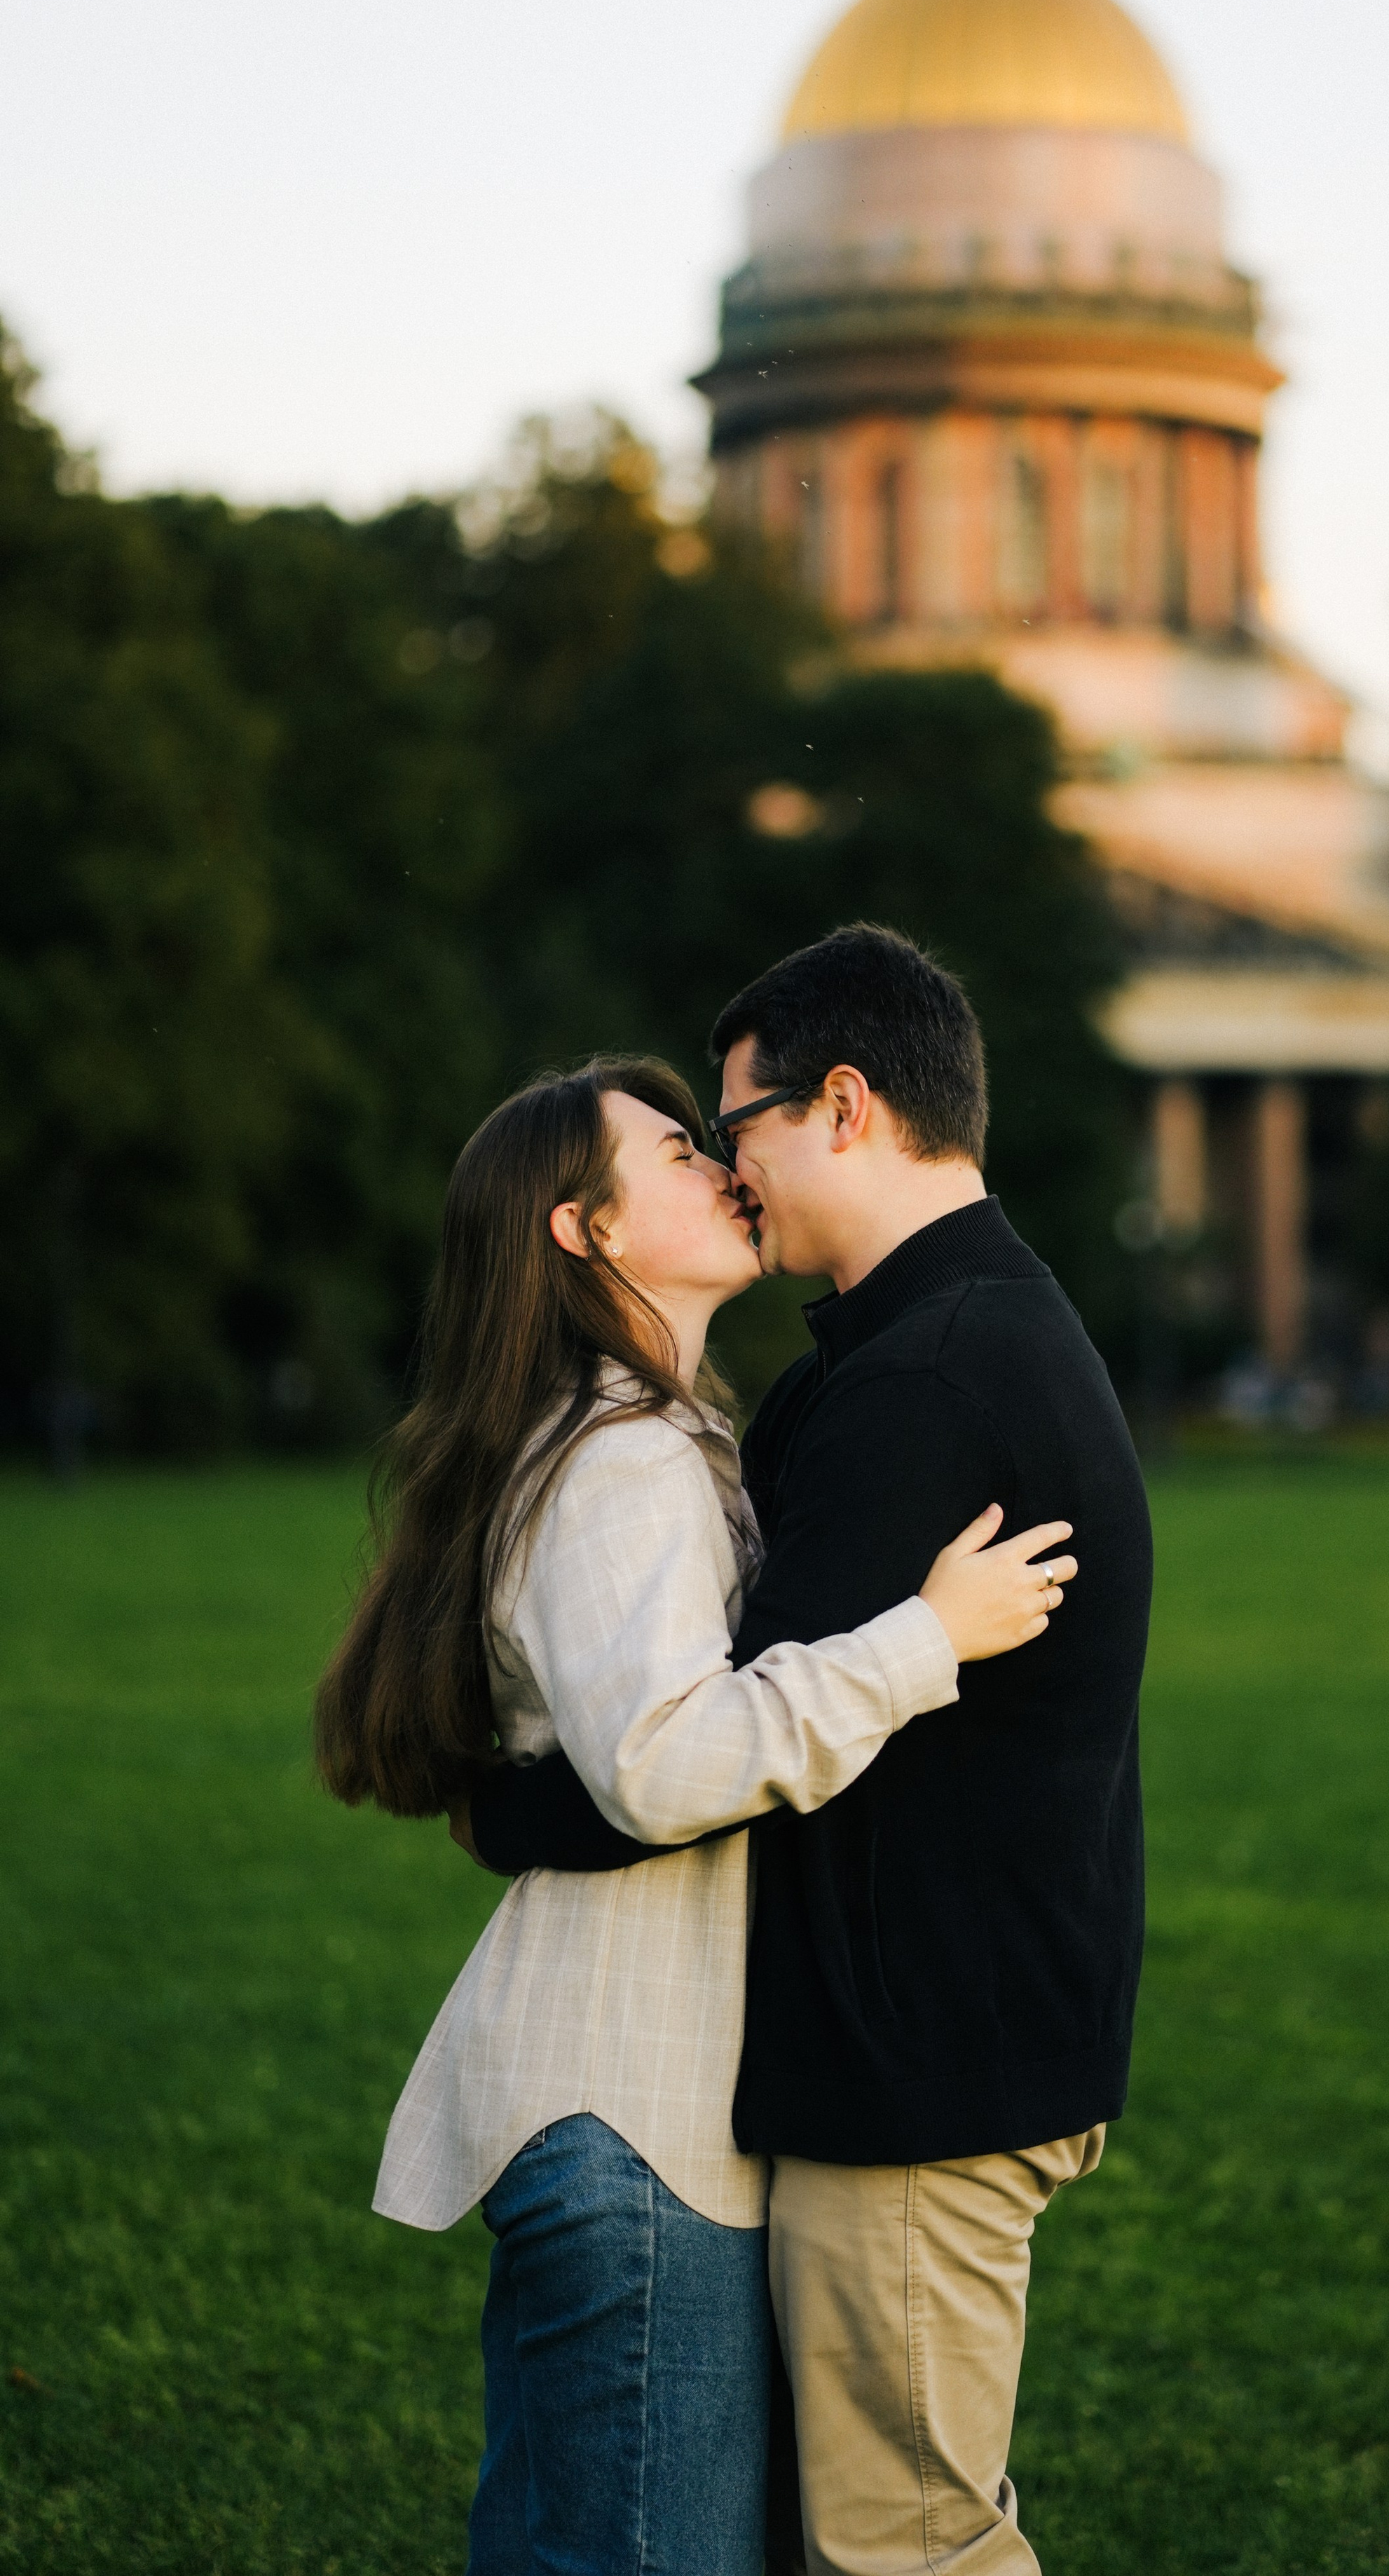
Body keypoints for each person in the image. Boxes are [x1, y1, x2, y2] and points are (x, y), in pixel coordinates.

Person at [312, 1050, 1076, 2576]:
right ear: (582, 1229)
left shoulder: (648, 1436)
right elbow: (659, 1767)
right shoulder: (619, 1457)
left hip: (633, 2114)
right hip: (634, 2125)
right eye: (675, 1153)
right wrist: (926, 1639)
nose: (723, 1166)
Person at [467, 927, 1155, 2576]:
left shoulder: (927, 1378)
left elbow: (707, 1747)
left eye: (739, 1127)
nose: (730, 1166)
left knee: (904, 2549)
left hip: (919, 2076)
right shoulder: (923, 1342)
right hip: (925, 2048)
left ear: (842, 1107)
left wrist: (510, 1807)